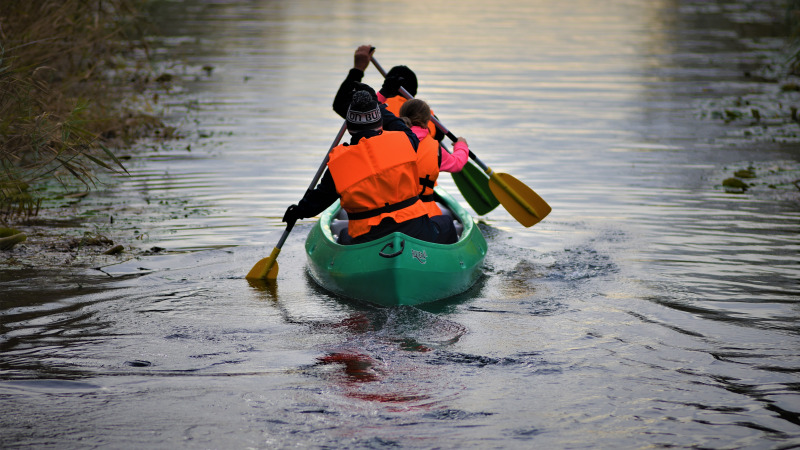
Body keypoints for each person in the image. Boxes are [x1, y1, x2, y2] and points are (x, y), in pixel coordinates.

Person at [282, 87, 457, 245]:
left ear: (349, 127)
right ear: (380, 123)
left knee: (344, 236)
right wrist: (379, 106)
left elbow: (316, 202)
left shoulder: (338, 163)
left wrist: (297, 211)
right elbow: (398, 124)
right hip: (415, 231)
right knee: (446, 224)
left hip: (368, 239)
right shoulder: (406, 140)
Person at [332, 45, 443, 140]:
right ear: (414, 92)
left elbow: (339, 104)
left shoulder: (372, 111)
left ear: (387, 85)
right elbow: (439, 137)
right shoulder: (432, 119)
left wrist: (357, 69)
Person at [398, 98, 470, 217]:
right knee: (448, 222)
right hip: (425, 212)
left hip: (395, 210)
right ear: (427, 120)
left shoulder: (390, 140)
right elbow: (457, 164)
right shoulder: (434, 148)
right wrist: (461, 146)